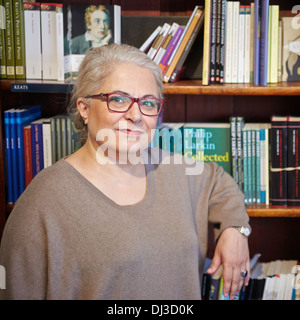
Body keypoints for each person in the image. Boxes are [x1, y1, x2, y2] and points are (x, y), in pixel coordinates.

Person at [0, 44, 251, 300]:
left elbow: (219, 181)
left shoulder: (175, 170)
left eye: (149, 103)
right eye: (118, 99)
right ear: (84, 108)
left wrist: (236, 230)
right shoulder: (43, 202)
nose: (136, 115)